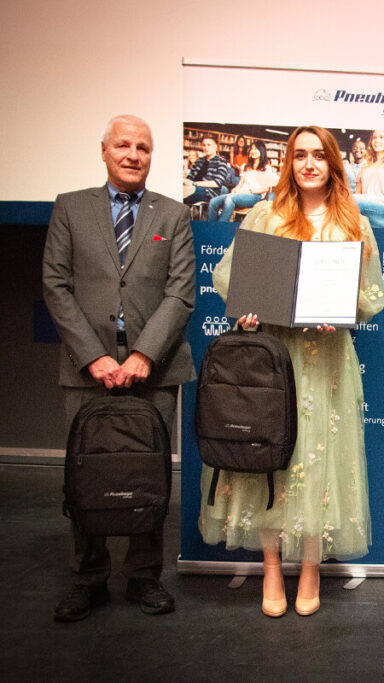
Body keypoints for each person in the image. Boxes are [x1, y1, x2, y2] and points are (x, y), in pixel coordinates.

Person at [200, 125, 384, 618]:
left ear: (332, 164)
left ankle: (308, 569)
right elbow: (229, 278)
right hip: (272, 360)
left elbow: (373, 294)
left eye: (318, 156)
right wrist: (248, 308)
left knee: (317, 463)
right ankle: (269, 569)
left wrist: (344, 308)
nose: (308, 164)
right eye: (300, 155)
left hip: (326, 362)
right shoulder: (266, 216)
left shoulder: (353, 223)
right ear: (290, 162)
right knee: (270, 464)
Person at [42, 114, 196, 622]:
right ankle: (87, 577)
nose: (134, 155)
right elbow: (56, 286)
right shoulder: (70, 208)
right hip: (87, 369)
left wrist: (142, 354)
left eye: (144, 148)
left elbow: (180, 293)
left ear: (153, 156)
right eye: (124, 146)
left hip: (155, 368)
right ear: (104, 151)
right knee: (86, 472)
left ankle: (144, 576)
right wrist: (96, 357)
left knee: (146, 473)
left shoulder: (173, 215)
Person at [207, 140, 279, 221]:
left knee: (230, 198)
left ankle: (220, 228)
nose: (252, 151)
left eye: (255, 149)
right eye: (251, 149)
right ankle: (211, 227)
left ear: (261, 151)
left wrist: (249, 191)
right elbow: (240, 184)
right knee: (213, 202)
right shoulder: (245, 166)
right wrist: (235, 190)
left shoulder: (266, 168)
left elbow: (266, 188)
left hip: (255, 196)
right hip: (241, 193)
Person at [184, 134, 234, 205]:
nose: (206, 147)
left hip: (209, 192)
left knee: (185, 196)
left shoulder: (221, 162)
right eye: (204, 145)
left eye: (209, 145)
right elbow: (190, 178)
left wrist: (194, 183)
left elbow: (217, 183)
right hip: (193, 188)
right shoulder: (199, 161)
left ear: (215, 146)